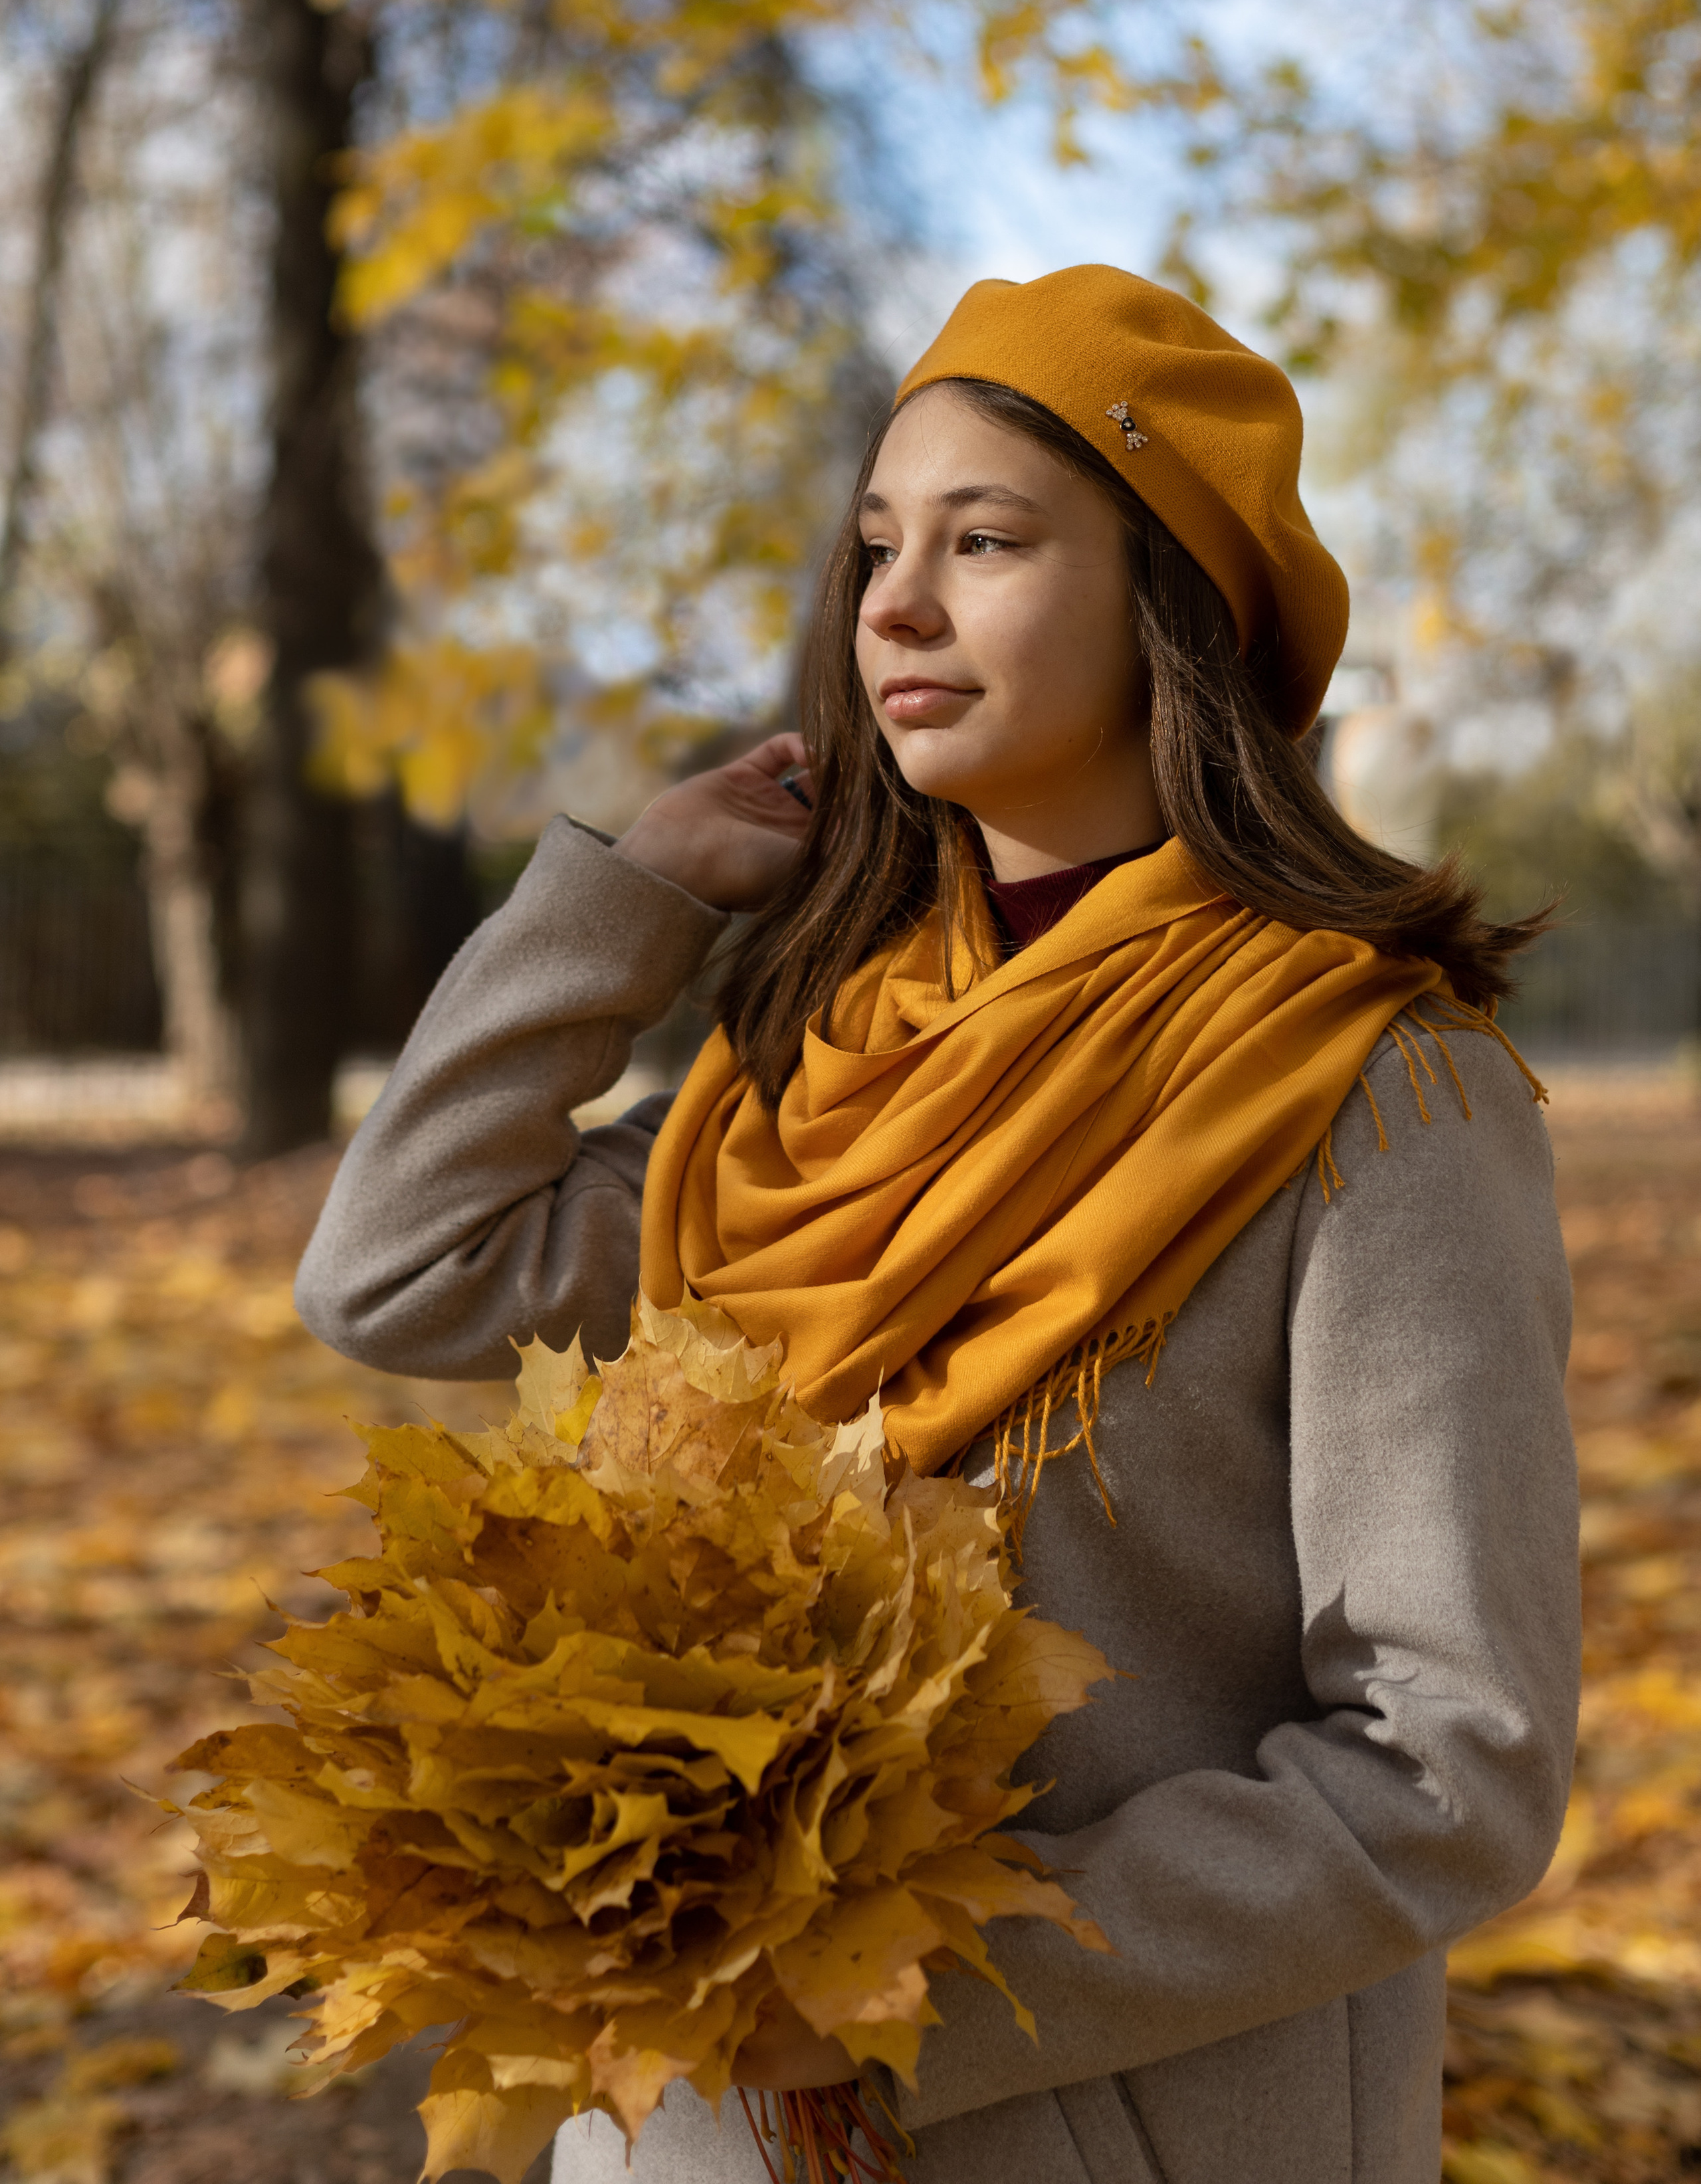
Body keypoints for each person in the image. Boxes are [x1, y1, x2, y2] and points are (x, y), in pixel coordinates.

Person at [296, 266, 1579, 2184]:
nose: (894, 603)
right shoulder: (818, 1073)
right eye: (879, 544)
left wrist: (909, 1998)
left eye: (987, 542)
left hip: (1114, 2120)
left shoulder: (1373, 1093)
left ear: (1175, 603)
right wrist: (630, 901)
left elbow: (1448, 1760)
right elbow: (398, 1263)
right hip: (684, 2117)